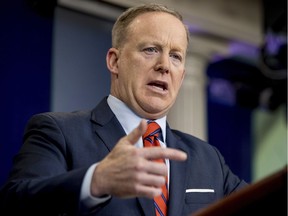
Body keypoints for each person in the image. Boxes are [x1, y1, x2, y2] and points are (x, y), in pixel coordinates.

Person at [0, 3, 248, 216]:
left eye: (176, 56)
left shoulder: (208, 159)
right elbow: (16, 203)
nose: (164, 65)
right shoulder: (60, 132)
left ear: (181, 76)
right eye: (151, 49)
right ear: (114, 61)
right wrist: (95, 181)